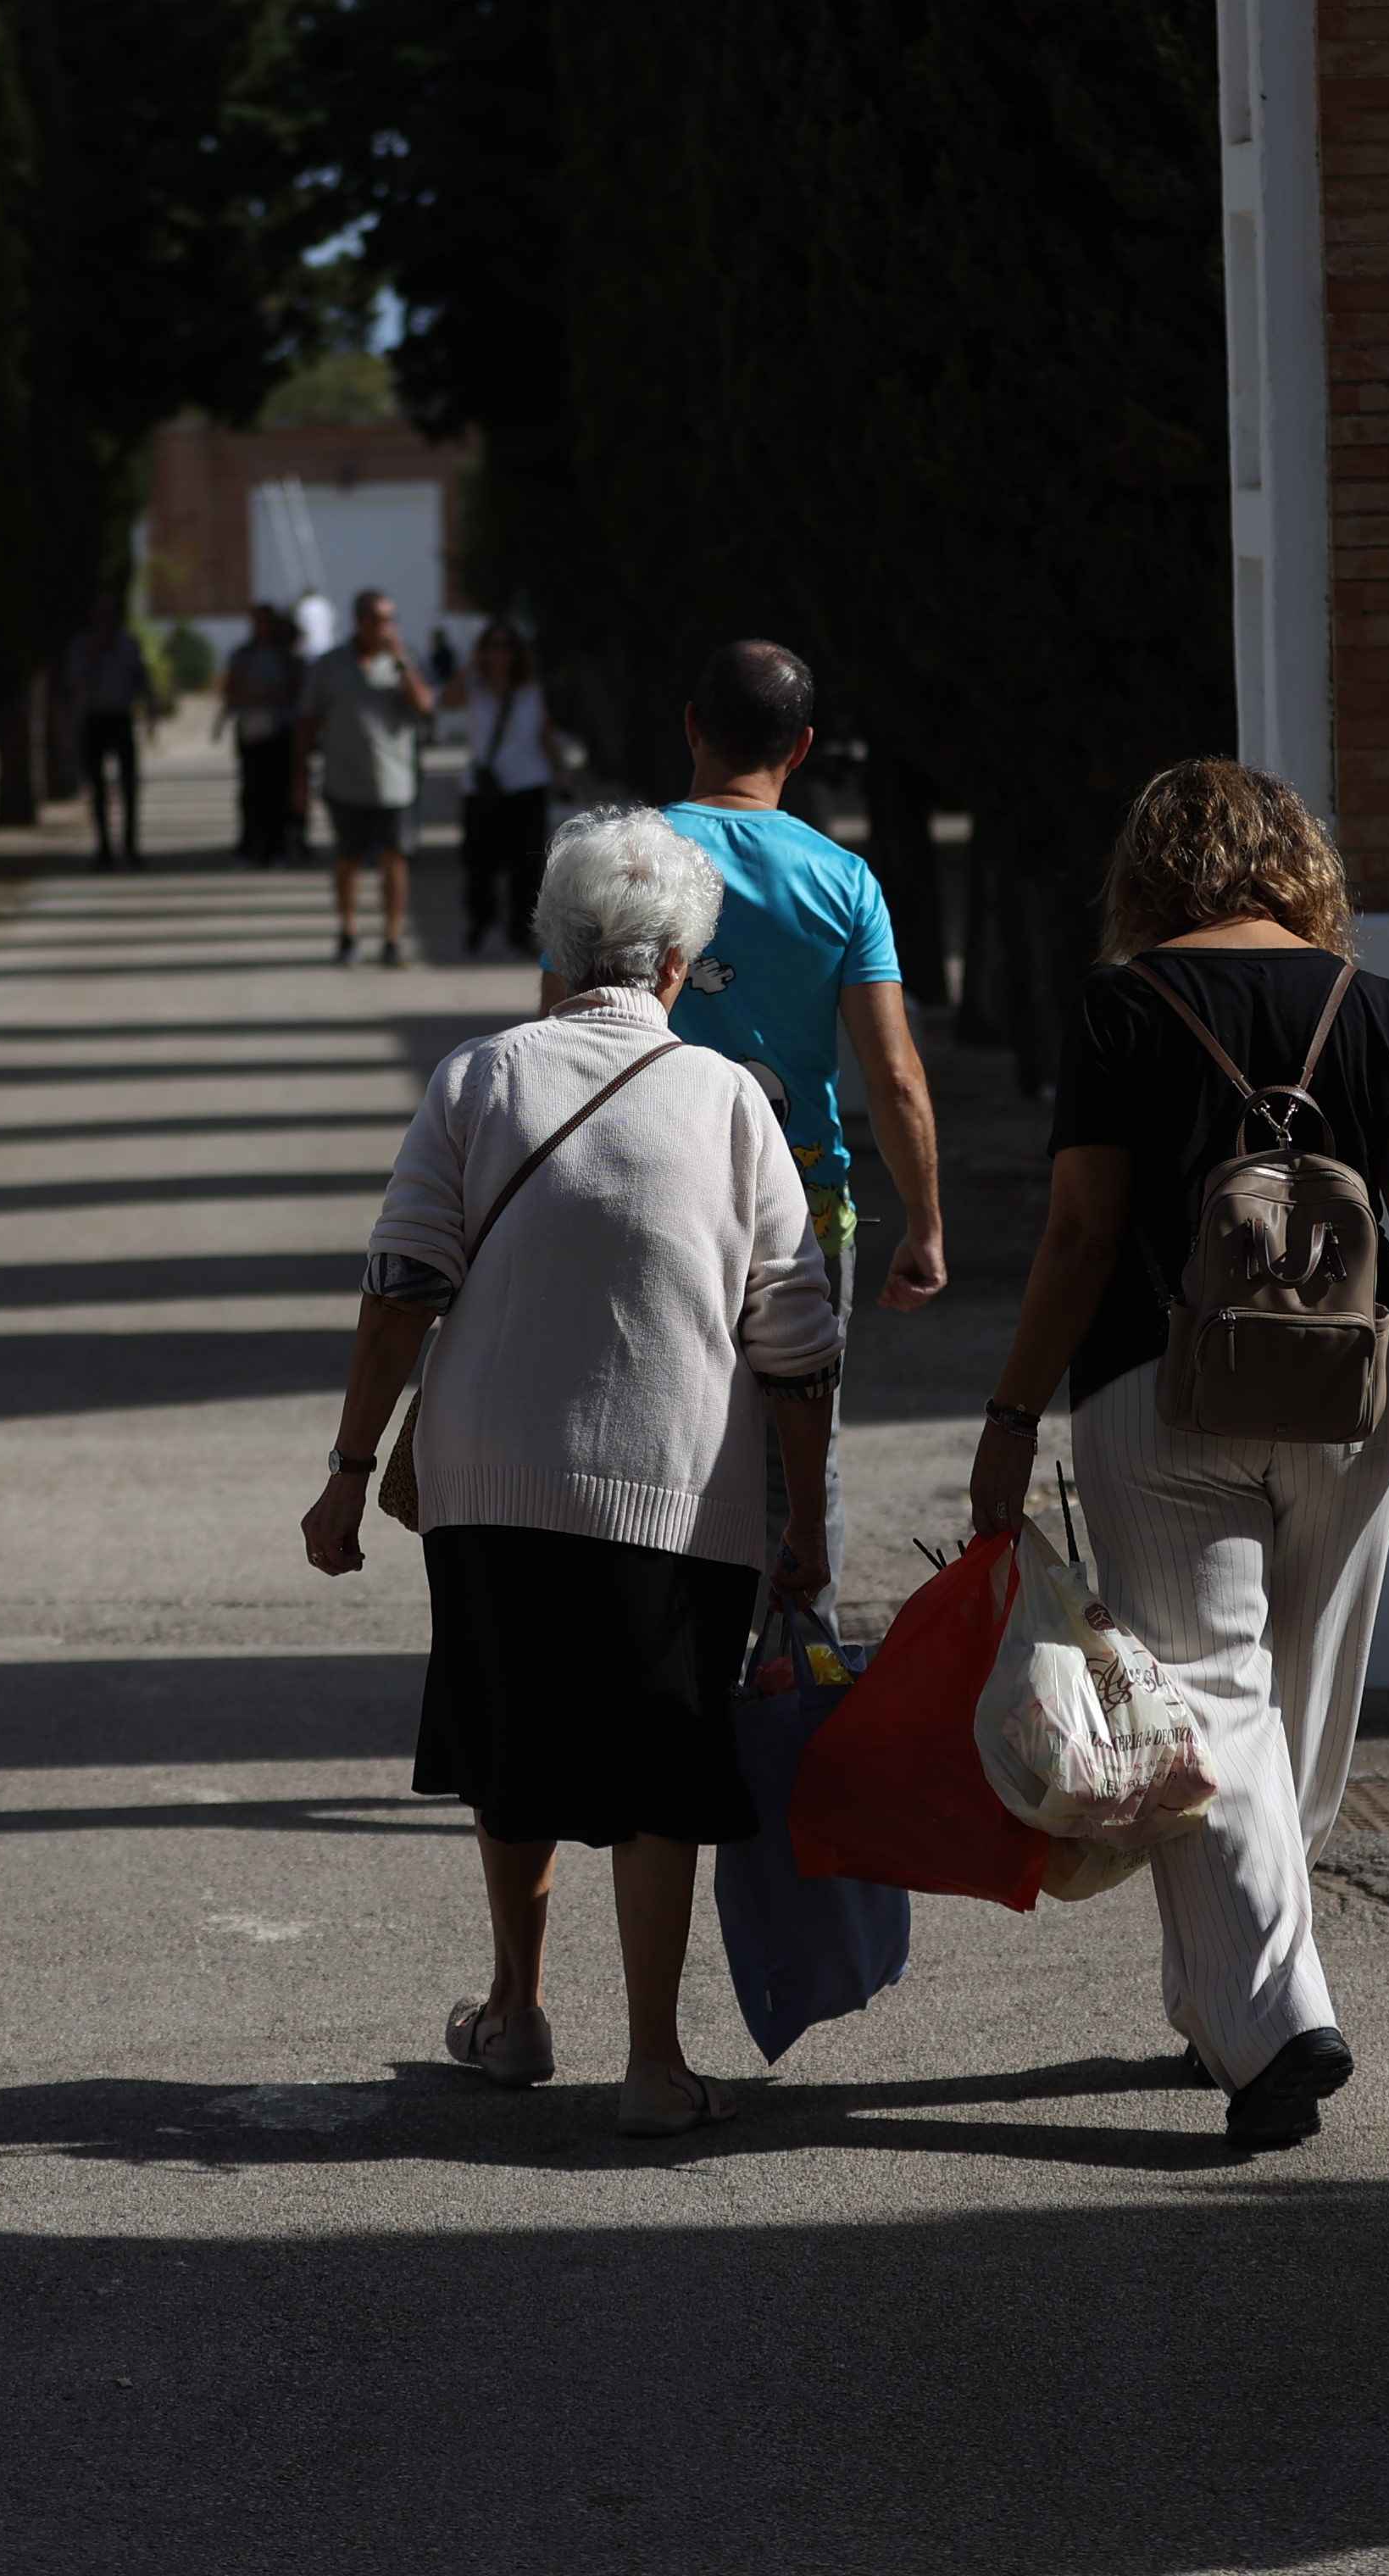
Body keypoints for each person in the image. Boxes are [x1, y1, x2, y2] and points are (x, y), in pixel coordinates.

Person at [962, 759, 1389, 2154]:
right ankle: (1224, 1991)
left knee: (1206, 1701)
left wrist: (1010, 1410)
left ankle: (1274, 2020)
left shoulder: (1120, 1005)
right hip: (1356, 1384)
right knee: (1291, 1698)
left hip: (1159, 1390)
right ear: (1295, 862)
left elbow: (1082, 1231)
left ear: (1152, 868)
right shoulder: (1374, 1005)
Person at [304, 809, 843, 2140]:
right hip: (677, 1490)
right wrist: (808, 1518)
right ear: (678, 964)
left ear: (558, 945)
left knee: (513, 1737)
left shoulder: (479, 1080)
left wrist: (348, 1469)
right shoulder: (728, 1101)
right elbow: (798, 1334)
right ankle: (655, 2066)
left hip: (488, 1484)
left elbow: (397, 1295)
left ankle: (516, 2013)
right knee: (663, 1769)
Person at [656, 641, 946, 1567]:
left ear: (693, 726)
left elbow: (557, 1035)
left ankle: (681, 1682)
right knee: (800, 1467)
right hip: (803, 1210)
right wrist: (925, 1225)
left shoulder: (620, 862)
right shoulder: (844, 882)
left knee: (661, 1456)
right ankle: (796, 1672)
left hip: (652, 1197)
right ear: (804, 746)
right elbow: (893, 1073)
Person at [299, 587, 434, 967]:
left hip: (395, 783)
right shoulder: (330, 665)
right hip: (345, 780)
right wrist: (299, 776)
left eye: (390, 620)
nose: (385, 627)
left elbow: (425, 706)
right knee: (348, 860)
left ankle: (392, 938)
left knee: (395, 860)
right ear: (359, 622)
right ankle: (347, 931)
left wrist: (402, 664)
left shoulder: (404, 661)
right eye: (378, 620)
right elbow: (307, 719)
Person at [454, 621, 557, 959]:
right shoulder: (473, 687)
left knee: (526, 865)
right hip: (483, 787)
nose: (500, 654)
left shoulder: (531, 691)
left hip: (527, 783)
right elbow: (439, 701)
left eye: (506, 647)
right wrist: (471, 665)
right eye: (493, 646)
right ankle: (480, 921)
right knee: (479, 863)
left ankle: (520, 931)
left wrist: (562, 773)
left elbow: (543, 734)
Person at [219, 604, 308, 866]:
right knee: (251, 790)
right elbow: (231, 689)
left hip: (280, 729)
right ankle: (250, 845)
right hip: (251, 729)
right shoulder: (243, 655)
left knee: (278, 791)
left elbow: (299, 691)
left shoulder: (286, 657)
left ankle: (277, 846)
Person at [69, 613, 150, 868]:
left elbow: (141, 678)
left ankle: (130, 847)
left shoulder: (128, 644)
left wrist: (150, 712)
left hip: (121, 718)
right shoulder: (82, 646)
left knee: (129, 785)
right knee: (97, 787)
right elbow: (74, 681)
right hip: (94, 719)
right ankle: (103, 847)